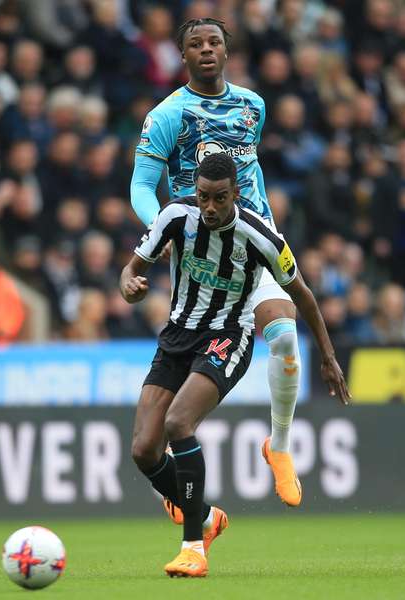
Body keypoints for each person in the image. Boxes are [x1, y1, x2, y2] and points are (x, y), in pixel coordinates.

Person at [122, 153, 349, 578]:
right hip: (176, 336)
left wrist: (329, 357)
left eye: (220, 199)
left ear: (236, 194)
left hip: (228, 336)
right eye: (204, 197)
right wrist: (131, 287)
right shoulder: (175, 215)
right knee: (143, 451)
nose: (210, 207)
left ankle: (193, 547)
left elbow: (303, 295)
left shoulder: (260, 237)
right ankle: (207, 518)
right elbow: (131, 271)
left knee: (178, 423)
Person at [130, 18, 309, 510]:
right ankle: (175, 473)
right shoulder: (167, 115)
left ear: (227, 51)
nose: (206, 50)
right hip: (200, 255)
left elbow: (248, 173)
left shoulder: (253, 106)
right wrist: (160, 229)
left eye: (214, 42)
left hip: (255, 246)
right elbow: (141, 186)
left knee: (286, 335)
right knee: (183, 373)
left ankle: (280, 445)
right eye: (194, 44)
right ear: (182, 56)